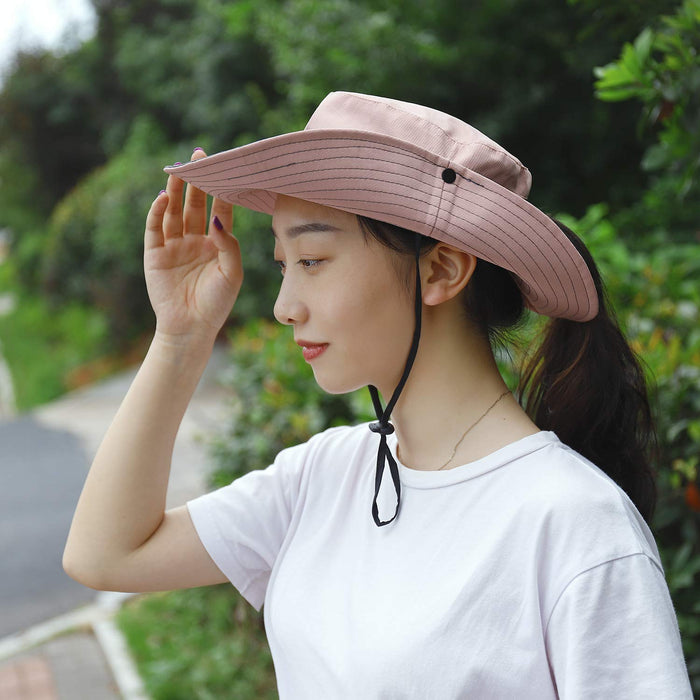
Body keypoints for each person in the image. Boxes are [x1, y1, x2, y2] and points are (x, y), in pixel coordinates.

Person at [64, 91, 693, 698]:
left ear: (441, 270)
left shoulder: (575, 523)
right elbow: (106, 555)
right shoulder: (324, 476)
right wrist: (180, 337)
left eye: (312, 260)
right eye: (283, 265)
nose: (284, 307)